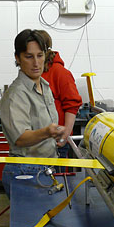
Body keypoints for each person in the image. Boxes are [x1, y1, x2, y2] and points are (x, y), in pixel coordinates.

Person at [0, 29, 64, 197]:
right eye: (29, 57)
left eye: (40, 55)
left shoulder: (45, 87)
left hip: (46, 167)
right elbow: (20, 138)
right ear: (18, 58)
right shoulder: (16, 94)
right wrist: (47, 132)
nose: (36, 62)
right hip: (26, 169)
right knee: (32, 222)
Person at [36, 30, 82, 159]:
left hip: (54, 142)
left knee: (54, 178)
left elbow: (72, 105)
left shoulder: (60, 73)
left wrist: (64, 136)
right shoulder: (35, 73)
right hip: (36, 141)